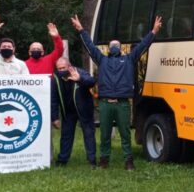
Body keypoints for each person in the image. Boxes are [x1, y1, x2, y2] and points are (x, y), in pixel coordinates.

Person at [71, 14, 162, 170]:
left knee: (125, 135)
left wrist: (153, 32)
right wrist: (81, 30)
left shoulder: (129, 59)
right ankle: (104, 160)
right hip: (105, 104)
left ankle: (128, 161)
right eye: (112, 44)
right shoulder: (102, 59)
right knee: (105, 135)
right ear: (108, 48)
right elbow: (90, 47)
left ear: (120, 48)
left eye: (117, 45)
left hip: (123, 104)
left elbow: (143, 46)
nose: (114, 47)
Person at [51, 58, 97, 168]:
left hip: (84, 110)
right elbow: (54, 99)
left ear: (69, 66)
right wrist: (55, 117)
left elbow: (91, 82)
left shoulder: (80, 72)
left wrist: (80, 79)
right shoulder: (56, 79)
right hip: (68, 112)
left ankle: (92, 160)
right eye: (59, 68)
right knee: (66, 136)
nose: (61, 70)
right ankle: (62, 160)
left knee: (89, 134)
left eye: (63, 68)